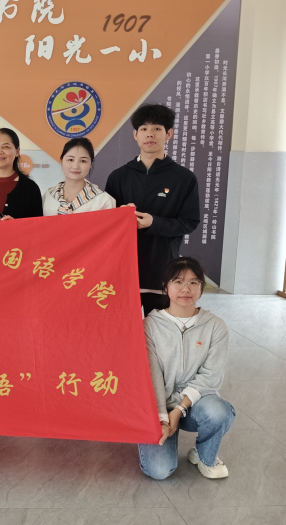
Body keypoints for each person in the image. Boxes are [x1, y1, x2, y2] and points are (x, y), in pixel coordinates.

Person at [139, 256, 234, 480]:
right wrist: (162, 417)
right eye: (178, 281)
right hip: (158, 406)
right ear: (165, 286)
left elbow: (211, 376)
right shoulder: (148, 326)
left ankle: (204, 455)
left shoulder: (215, 326)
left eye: (193, 282)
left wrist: (179, 409)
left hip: (195, 403)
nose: (186, 289)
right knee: (159, 471)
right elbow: (151, 375)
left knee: (219, 412)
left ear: (201, 287)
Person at [104, 104, 199, 317]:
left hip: (162, 267)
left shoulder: (184, 178)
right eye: (144, 129)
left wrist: (154, 223)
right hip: (124, 267)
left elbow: (189, 222)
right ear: (135, 135)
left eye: (157, 128)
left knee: (159, 327)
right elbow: (107, 221)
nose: (150, 134)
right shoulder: (118, 176)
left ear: (169, 134)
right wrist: (119, 214)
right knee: (123, 325)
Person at [43, 137, 115, 216]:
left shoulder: (103, 200)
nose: (75, 166)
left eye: (83, 161)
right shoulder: (48, 195)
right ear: (61, 161)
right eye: (70, 160)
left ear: (91, 164)